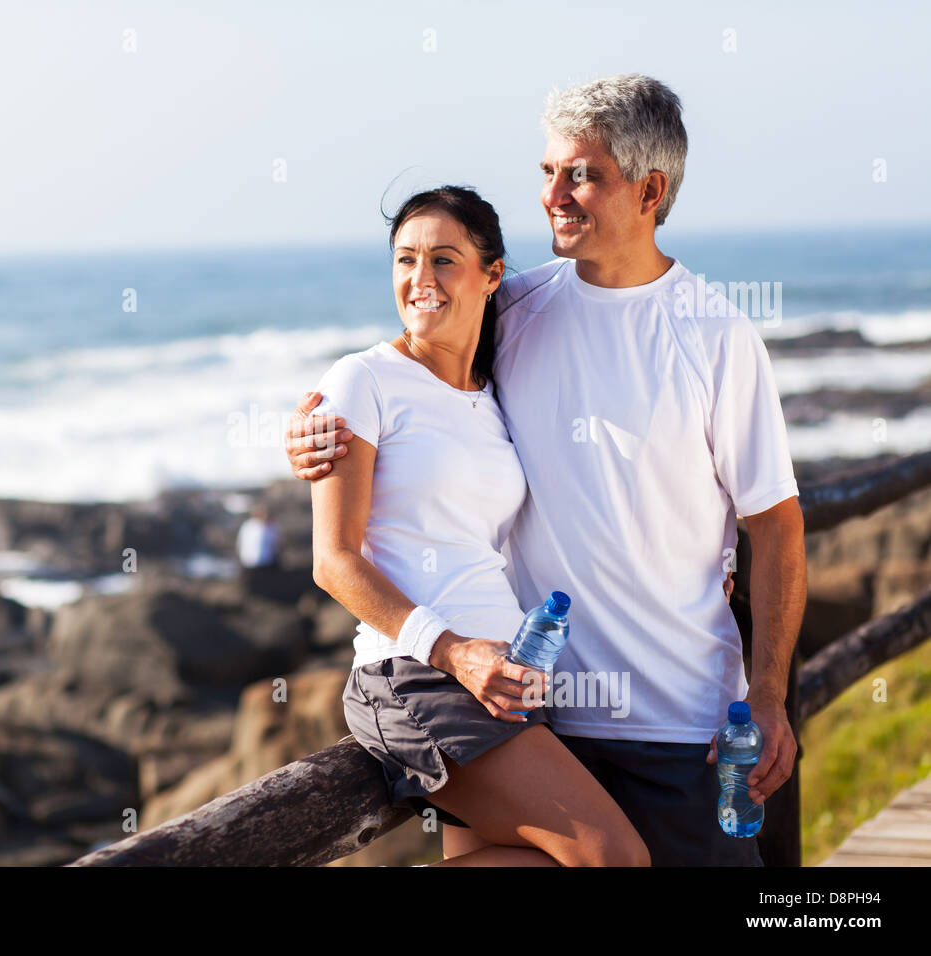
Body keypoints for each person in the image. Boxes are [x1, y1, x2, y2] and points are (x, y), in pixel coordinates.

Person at [287, 74, 806, 867]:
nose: (554, 195)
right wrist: (313, 431)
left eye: (582, 174)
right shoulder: (514, 312)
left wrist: (767, 698)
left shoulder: (716, 335)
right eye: (546, 172)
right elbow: (416, 360)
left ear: (649, 189)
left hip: (684, 728)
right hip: (539, 710)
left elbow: (774, 522)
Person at [309, 184, 649, 866]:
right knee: (616, 858)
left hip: (504, 676)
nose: (420, 280)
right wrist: (453, 651)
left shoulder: (492, 396)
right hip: (419, 674)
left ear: (491, 275)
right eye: (405, 260)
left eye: (443, 260)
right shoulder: (362, 380)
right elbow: (334, 560)